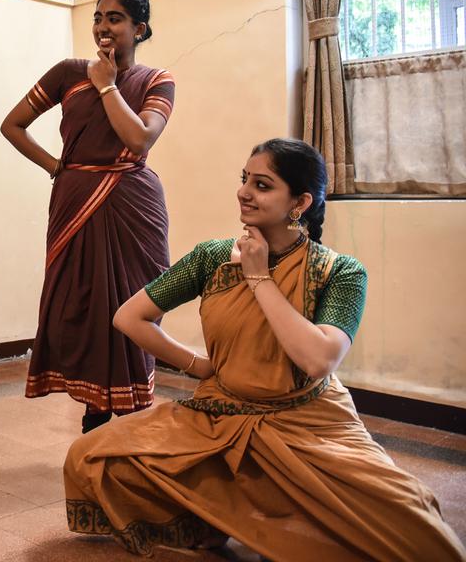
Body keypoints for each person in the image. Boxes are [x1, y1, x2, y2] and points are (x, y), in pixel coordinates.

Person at [63, 139, 466, 560]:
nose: (244, 192)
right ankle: (235, 510)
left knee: (421, 536)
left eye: (262, 184)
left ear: (300, 202)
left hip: (309, 423)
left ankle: (234, 510)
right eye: (244, 180)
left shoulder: (341, 272)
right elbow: (129, 317)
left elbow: (319, 359)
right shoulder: (212, 257)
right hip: (218, 416)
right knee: (90, 459)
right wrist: (198, 365)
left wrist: (259, 278)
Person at [0, 0, 174, 433]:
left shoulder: (157, 81)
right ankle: (93, 411)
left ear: (140, 29)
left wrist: (108, 85)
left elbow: (138, 139)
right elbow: (12, 125)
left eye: (114, 19)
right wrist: (56, 166)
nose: (102, 27)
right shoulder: (67, 73)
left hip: (133, 203)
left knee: (135, 300)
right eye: (98, 17)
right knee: (82, 301)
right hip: (75, 198)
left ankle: (132, 413)